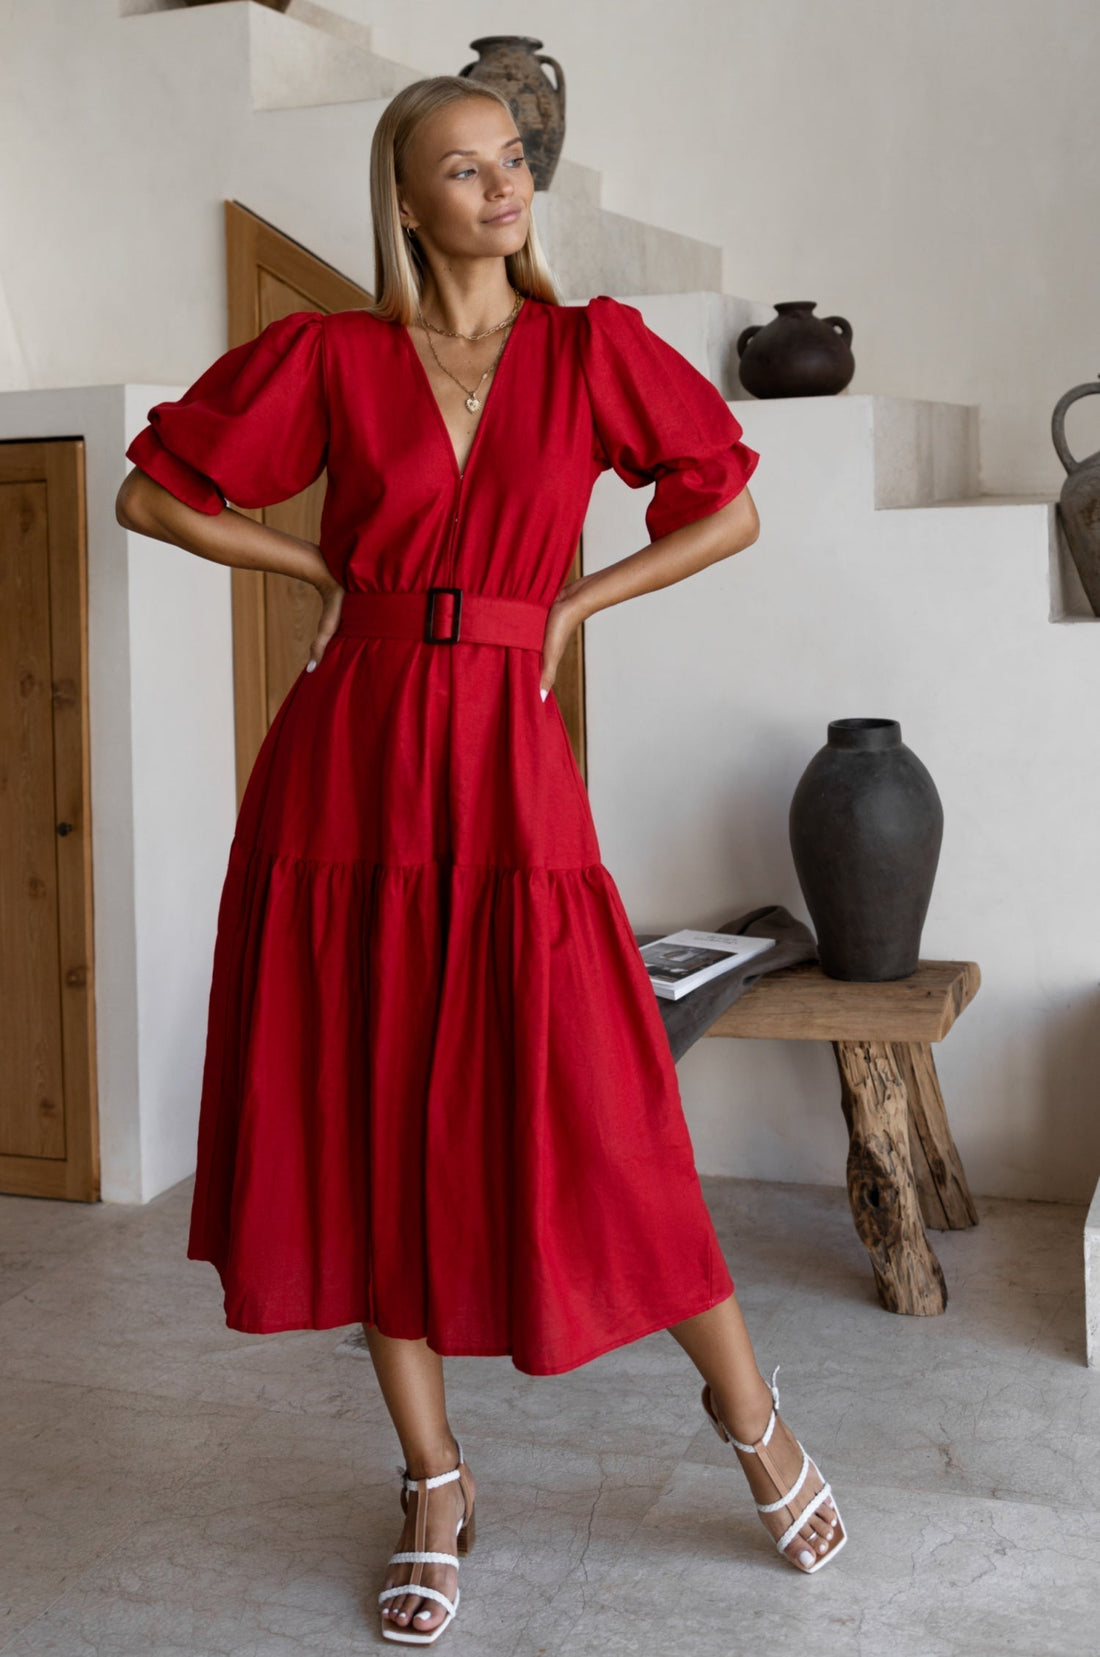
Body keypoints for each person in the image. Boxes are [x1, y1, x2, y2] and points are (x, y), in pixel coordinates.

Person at [115, 74, 845, 1647]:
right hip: (348, 759)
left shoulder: (591, 353)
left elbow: (726, 507)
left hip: (505, 760)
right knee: (370, 1096)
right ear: (409, 199)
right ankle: (433, 1478)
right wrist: (317, 557)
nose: (503, 186)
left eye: (514, 159)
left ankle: (752, 1418)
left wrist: (573, 607)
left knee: (598, 1095)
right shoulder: (331, 355)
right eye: (465, 168)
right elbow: (151, 490)